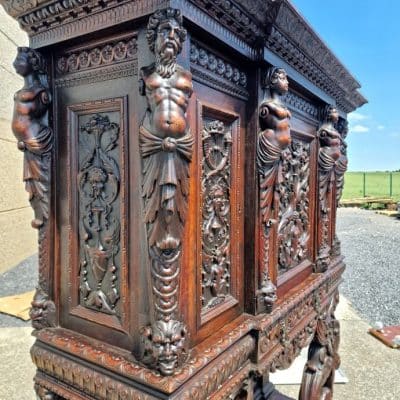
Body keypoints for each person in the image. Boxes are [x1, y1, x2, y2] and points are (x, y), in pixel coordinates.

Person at [12, 47, 52, 228]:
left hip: (37, 141)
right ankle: (42, 215)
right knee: (33, 183)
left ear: (32, 64)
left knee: (42, 182)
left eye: (20, 60)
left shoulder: (40, 91)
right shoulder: (26, 90)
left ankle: (46, 218)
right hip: (26, 144)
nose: (15, 64)